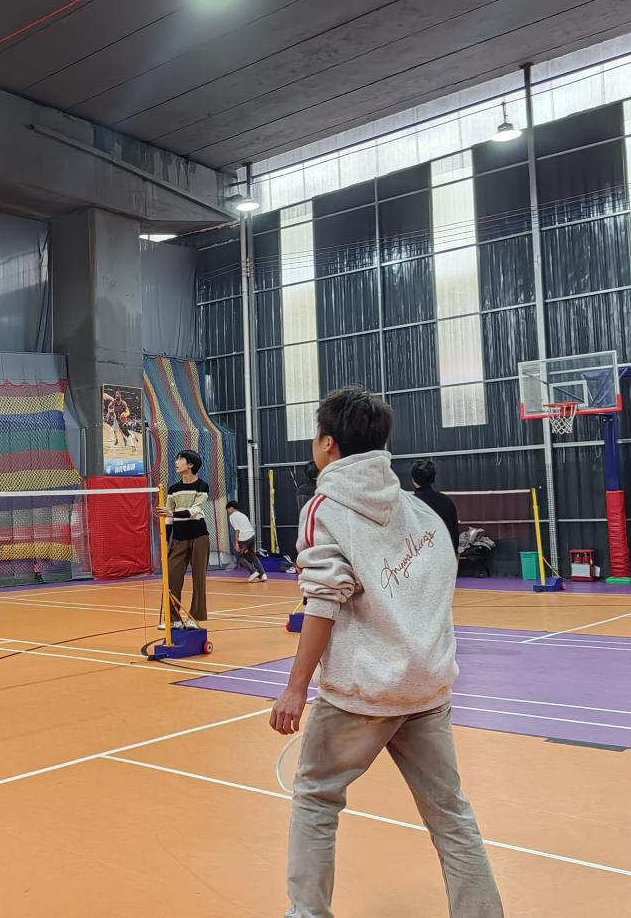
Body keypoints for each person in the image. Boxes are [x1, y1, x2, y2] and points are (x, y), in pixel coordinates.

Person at [270, 387, 503, 918]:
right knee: (451, 815)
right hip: (427, 688)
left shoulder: (324, 508)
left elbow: (322, 601)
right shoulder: (418, 513)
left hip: (362, 693)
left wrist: (295, 687)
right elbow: (438, 589)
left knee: (316, 798)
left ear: (328, 444)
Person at [154, 450, 210, 629]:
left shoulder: (202, 486)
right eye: (176, 459)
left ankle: (194, 617)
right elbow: (168, 518)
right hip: (178, 538)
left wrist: (173, 513)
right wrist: (165, 541)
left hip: (199, 537)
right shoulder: (173, 489)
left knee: (199, 579)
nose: (176, 462)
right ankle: (174, 619)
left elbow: (195, 511)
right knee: (172, 578)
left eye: (181, 459)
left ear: (190, 465)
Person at [412, 459, 461, 552]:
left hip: (420, 557)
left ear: (413, 479)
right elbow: (454, 534)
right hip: (445, 555)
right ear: (433, 478)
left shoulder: (410, 503)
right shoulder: (447, 501)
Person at [225, 500, 267, 583]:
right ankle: (263, 574)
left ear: (231, 508)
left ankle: (253, 572)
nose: (227, 511)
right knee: (253, 556)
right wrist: (247, 545)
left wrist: (237, 543)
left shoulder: (232, 516)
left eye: (228, 509)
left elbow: (237, 530)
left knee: (239, 557)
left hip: (244, 537)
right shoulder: (242, 515)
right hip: (252, 536)